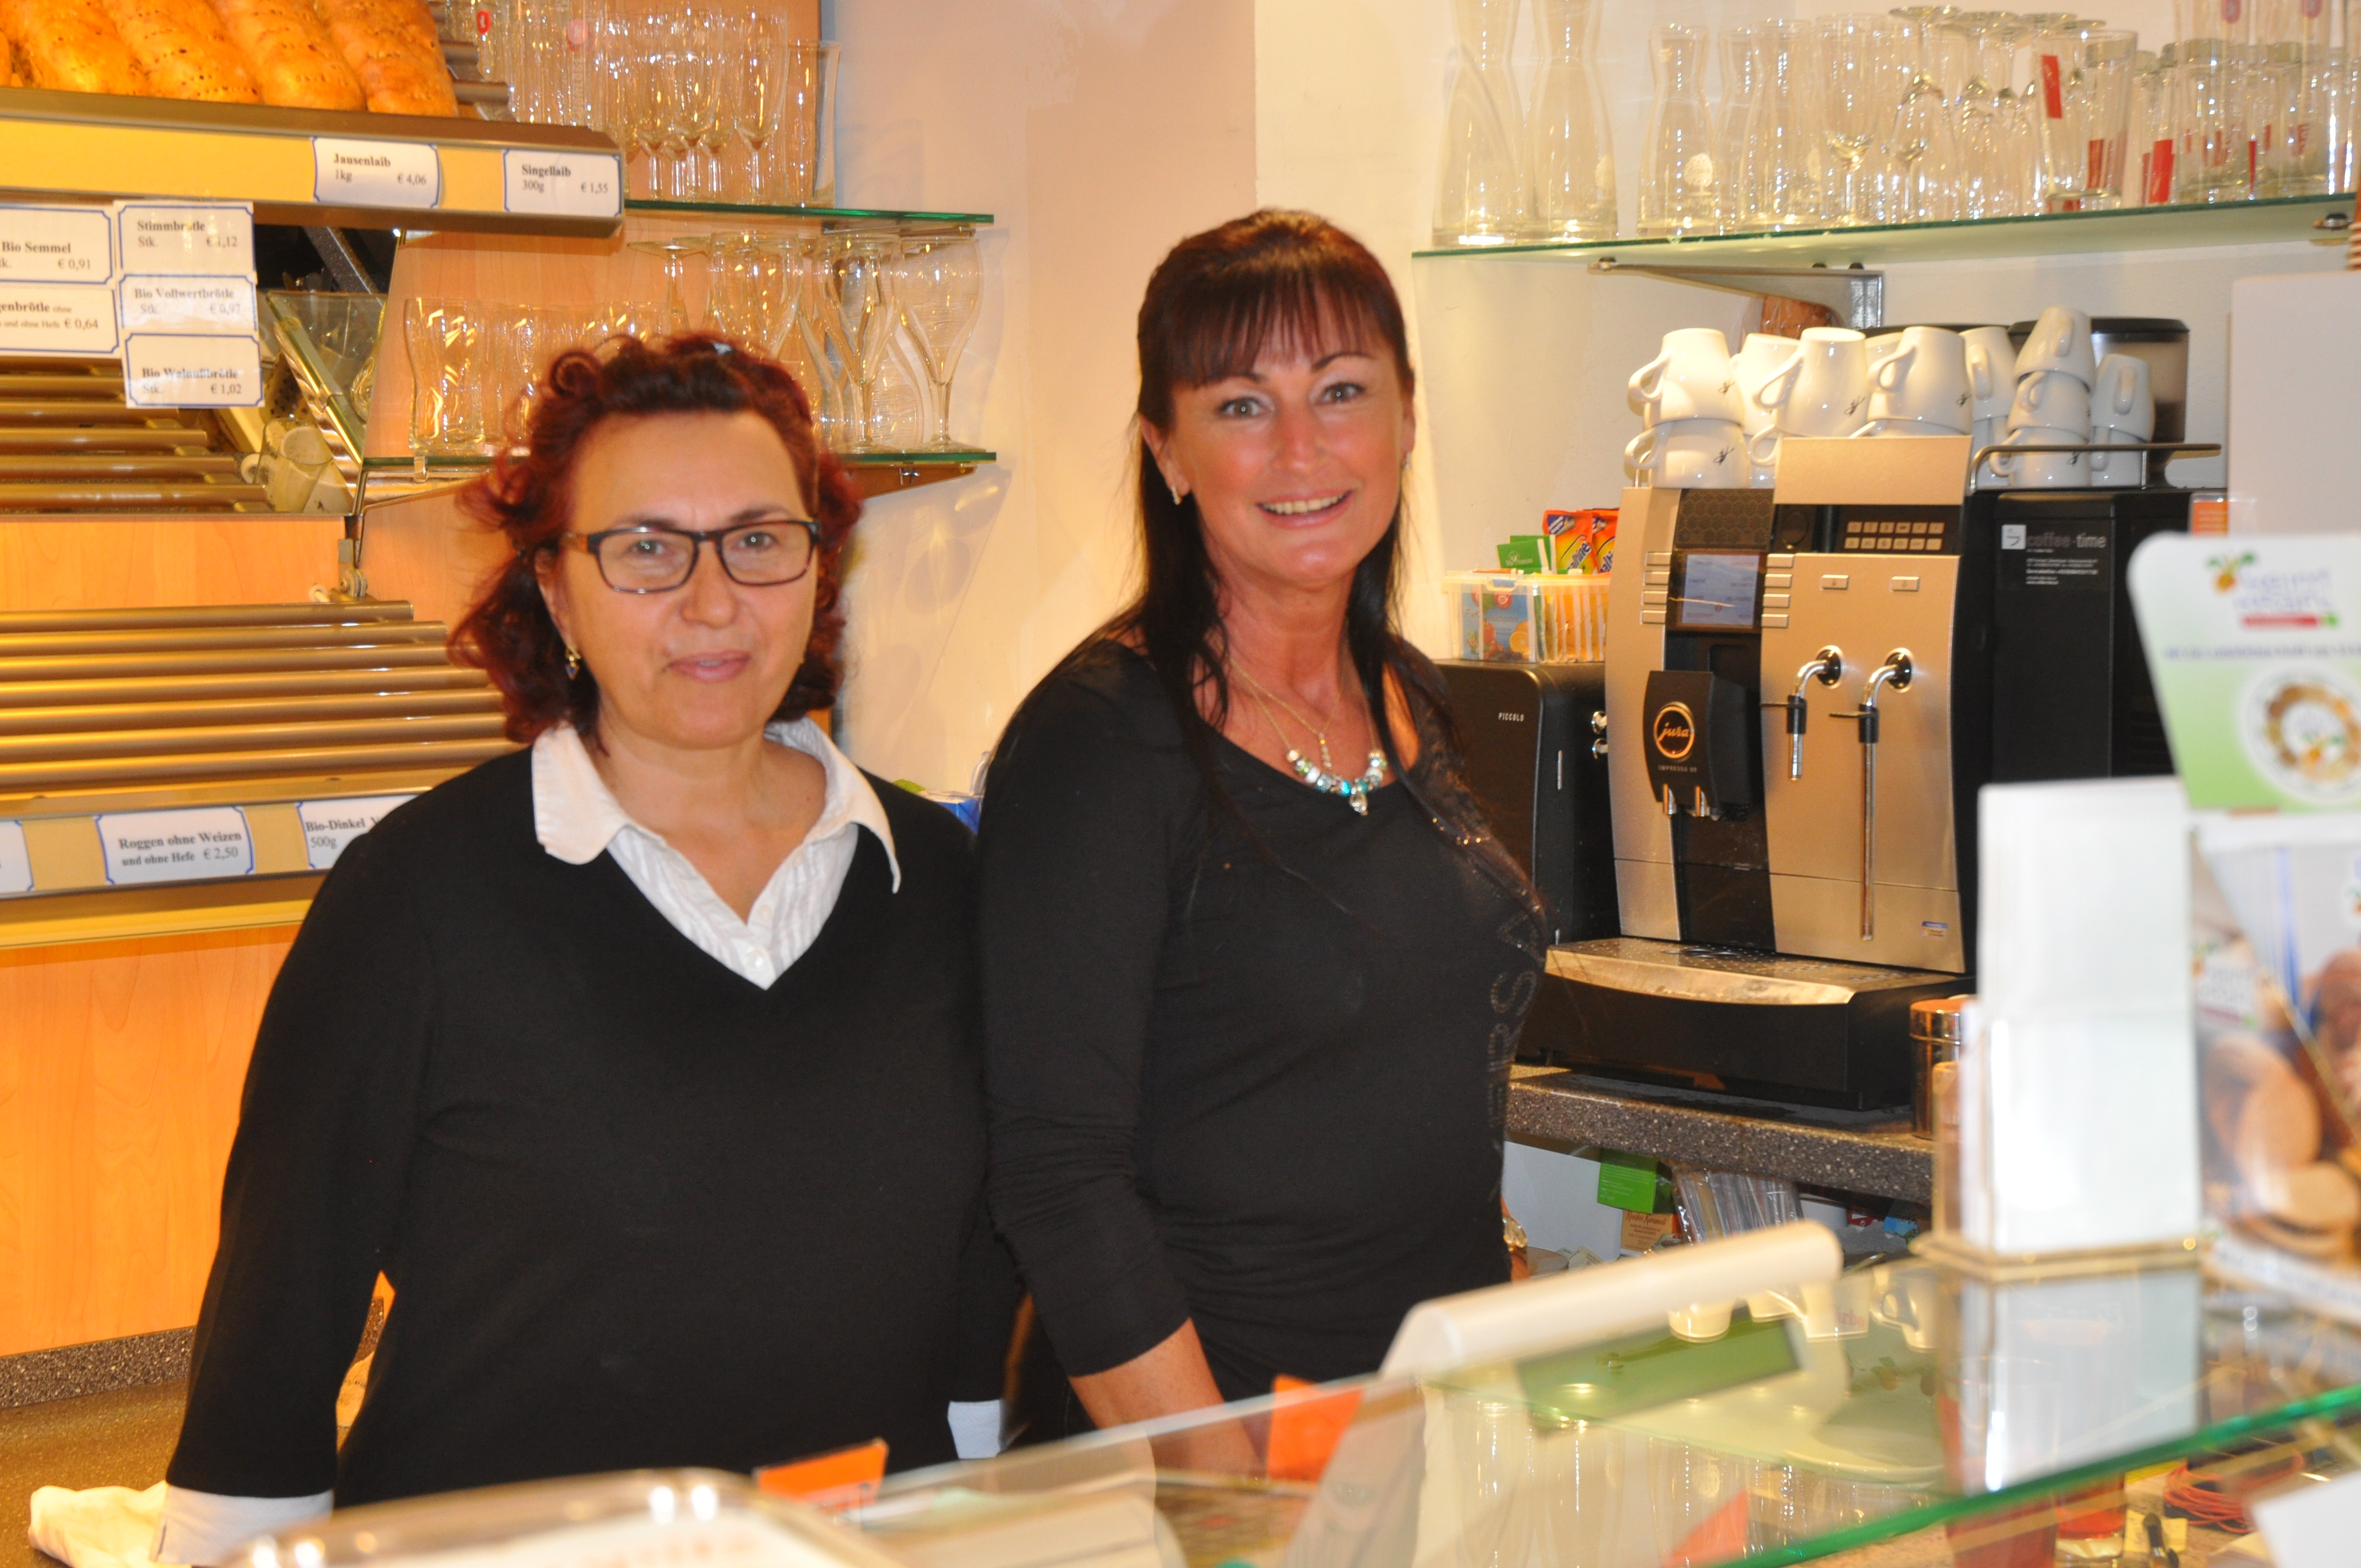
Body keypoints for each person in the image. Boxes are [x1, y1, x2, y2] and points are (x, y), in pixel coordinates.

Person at [159, 335, 1014, 1561]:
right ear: (555, 590)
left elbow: (983, 1258)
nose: (711, 601)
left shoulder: (933, 876)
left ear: (819, 568)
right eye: (647, 549)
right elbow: (280, 1311)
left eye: (758, 540)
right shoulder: (418, 897)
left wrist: (979, 1503)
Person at [978, 210, 1546, 1438]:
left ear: (1405, 418)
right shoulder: (1099, 744)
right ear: (1167, 451)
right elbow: (1058, 1181)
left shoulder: (1410, 696)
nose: (1302, 447)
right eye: (1241, 405)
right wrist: (1228, 1493)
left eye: (1341, 391)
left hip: (1414, 1431)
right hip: (1202, 1452)